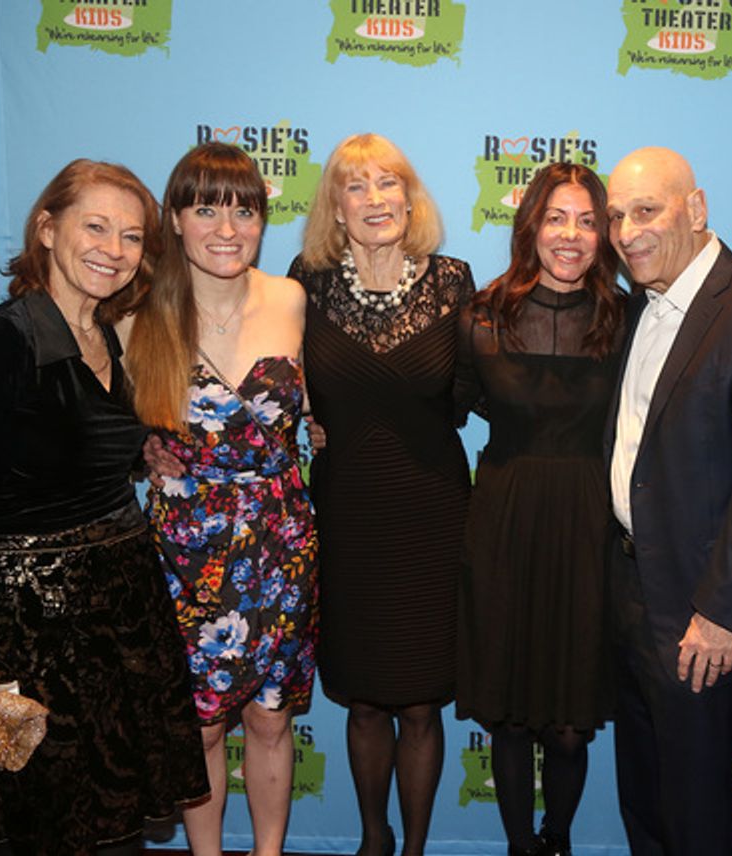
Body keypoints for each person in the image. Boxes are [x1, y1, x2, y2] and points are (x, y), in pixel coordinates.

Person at [604, 146, 732, 856]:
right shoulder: (639, 306)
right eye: (616, 217)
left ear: (695, 209)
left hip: (703, 612)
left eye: (646, 210)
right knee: (644, 803)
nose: (627, 232)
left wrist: (723, 613)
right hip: (631, 592)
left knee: (695, 818)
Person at [0, 160, 208, 854]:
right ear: (46, 229)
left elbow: (70, 440)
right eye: (95, 227)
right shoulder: (8, 339)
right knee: (43, 824)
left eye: (131, 237)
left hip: (122, 619)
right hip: (31, 634)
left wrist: (141, 446)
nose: (113, 250)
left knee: (114, 827)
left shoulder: (110, 335)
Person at [125, 142, 317, 856]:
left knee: (270, 718)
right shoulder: (137, 313)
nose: (228, 229)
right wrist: (140, 451)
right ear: (174, 219)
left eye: (245, 211)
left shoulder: (290, 298)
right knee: (201, 725)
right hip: (185, 552)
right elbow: (97, 429)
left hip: (281, 543)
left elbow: (315, 405)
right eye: (206, 210)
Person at [287, 133, 473, 856]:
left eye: (388, 182)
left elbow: (469, 395)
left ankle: (416, 848)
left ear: (410, 197)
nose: (374, 199)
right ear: (335, 206)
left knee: (422, 701)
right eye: (355, 185)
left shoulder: (453, 281)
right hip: (348, 516)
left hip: (432, 514)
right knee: (363, 700)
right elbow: (276, 371)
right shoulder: (305, 283)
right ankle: (374, 840)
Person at [454, 163, 625, 856]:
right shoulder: (482, 316)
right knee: (512, 718)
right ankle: (520, 846)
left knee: (570, 725)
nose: (570, 235)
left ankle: (558, 839)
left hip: (589, 526)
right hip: (505, 523)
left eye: (587, 221)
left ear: (604, 234)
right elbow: (442, 408)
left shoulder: (627, 317)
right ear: (531, 226)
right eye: (556, 218)